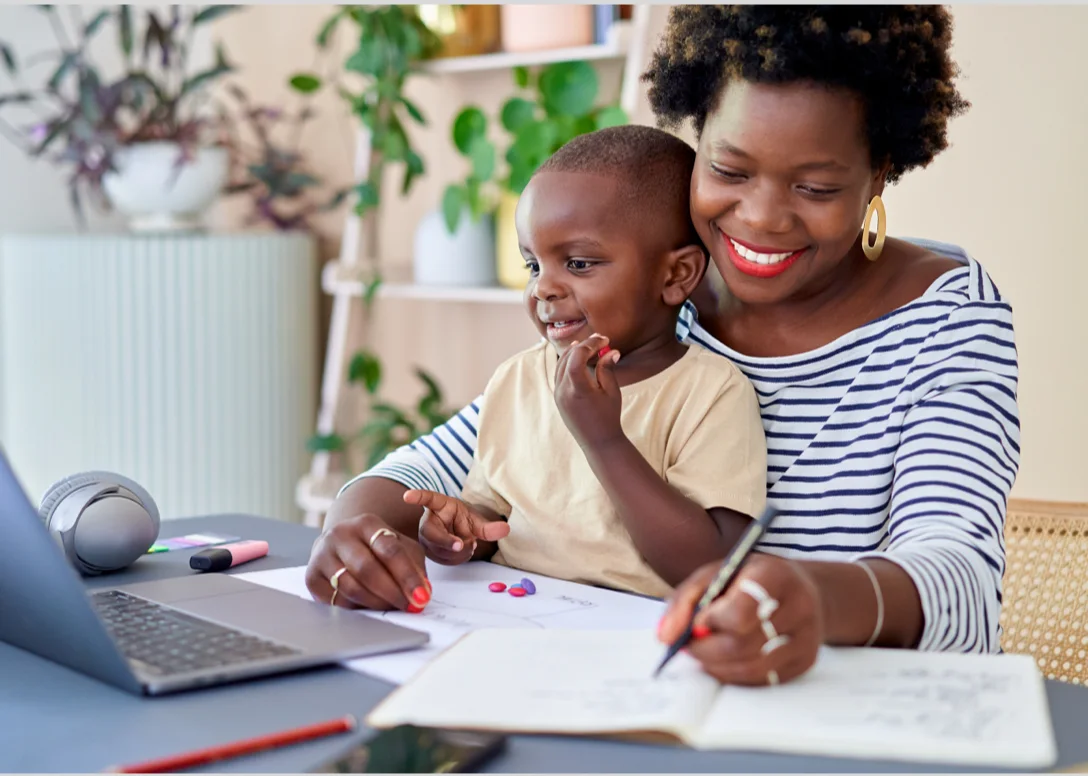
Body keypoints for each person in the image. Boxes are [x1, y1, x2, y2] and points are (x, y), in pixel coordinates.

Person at [307, 5, 1019, 688]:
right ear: (696, 140)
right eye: (730, 170)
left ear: (879, 173)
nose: (762, 218)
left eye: (815, 185)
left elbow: (956, 569)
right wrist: (353, 533)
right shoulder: (649, 297)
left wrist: (810, 596)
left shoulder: (945, 319)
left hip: (856, 709)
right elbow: (441, 461)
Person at [400, 125, 767, 600]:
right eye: (534, 265)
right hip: (515, 615)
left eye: (577, 264)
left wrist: (604, 438)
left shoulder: (712, 392)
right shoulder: (518, 379)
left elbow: (711, 565)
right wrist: (462, 532)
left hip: (634, 635)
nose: (543, 288)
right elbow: (494, 515)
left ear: (676, 275)